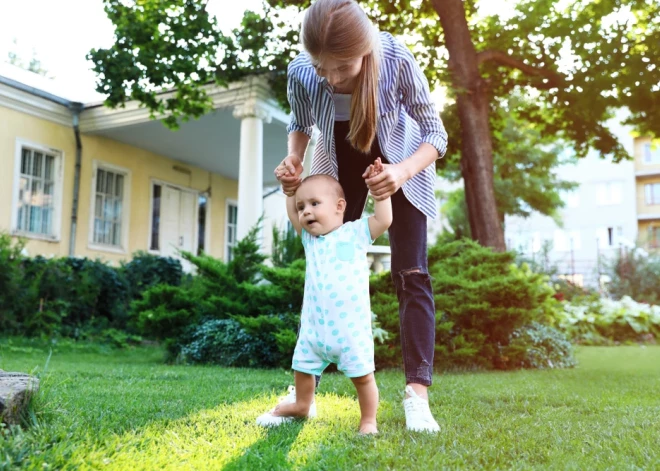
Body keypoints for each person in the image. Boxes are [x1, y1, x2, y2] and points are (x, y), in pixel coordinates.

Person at [274, 0, 448, 432]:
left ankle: (416, 396)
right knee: (323, 263)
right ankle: (303, 398)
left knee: (411, 274)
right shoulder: (301, 71)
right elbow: (299, 122)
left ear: (366, 49)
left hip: (400, 162)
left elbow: (435, 133)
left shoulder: (394, 59)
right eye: (322, 67)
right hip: (338, 162)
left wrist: (401, 173)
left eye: (341, 68)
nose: (330, 79)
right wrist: (295, 158)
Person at [256, 164, 392, 435]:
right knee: (303, 370)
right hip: (314, 331)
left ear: (339, 206)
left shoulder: (356, 233)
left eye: (314, 203)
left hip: (350, 331)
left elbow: (384, 219)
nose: (306, 211)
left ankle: (368, 421)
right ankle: (301, 406)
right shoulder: (310, 240)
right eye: (302, 206)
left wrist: (379, 191)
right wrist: (290, 191)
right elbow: (291, 211)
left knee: (364, 378)